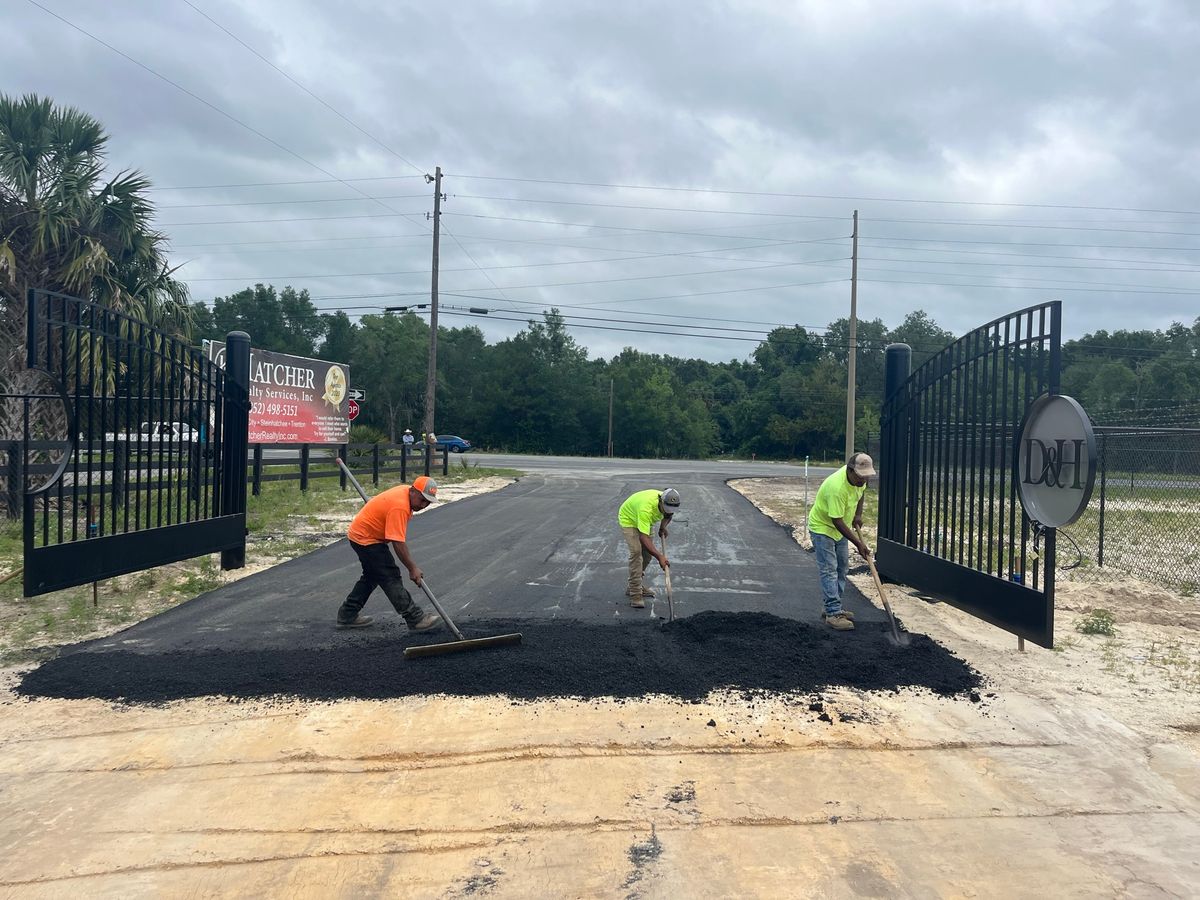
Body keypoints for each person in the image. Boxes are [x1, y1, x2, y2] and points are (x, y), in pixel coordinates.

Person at [336, 475, 444, 632]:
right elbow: (398, 543)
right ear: (413, 491)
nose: (424, 505)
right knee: (389, 575)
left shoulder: (406, 494)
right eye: (422, 500)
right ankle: (415, 618)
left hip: (365, 535)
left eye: (428, 502)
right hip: (366, 538)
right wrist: (412, 568)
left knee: (372, 576)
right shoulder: (399, 506)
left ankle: (347, 615)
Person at [808, 452, 876, 631]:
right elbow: (836, 520)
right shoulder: (836, 488)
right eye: (861, 476)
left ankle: (832, 607)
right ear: (850, 470)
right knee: (829, 569)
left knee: (842, 567)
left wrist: (858, 514)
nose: (864, 480)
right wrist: (858, 543)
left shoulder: (860, 480)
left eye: (867, 476)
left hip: (840, 529)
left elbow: (861, 493)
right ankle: (832, 613)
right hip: (823, 528)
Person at [617, 488, 680, 608]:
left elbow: (668, 515)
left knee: (647, 555)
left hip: (645, 521)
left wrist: (662, 527)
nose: (669, 511)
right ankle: (635, 593)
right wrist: (660, 557)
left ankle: (635, 585)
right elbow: (643, 537)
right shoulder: (646, 509)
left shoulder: (669, 502)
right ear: (661, 502)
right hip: (629, 518)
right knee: (636, 552)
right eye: (666, 509)